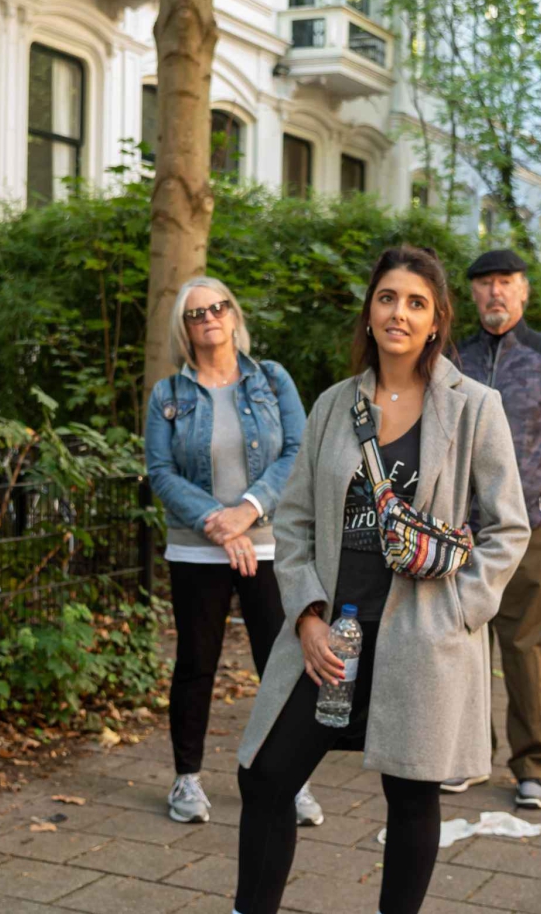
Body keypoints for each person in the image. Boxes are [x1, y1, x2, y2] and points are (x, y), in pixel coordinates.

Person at [233, 246, 530, 914]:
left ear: (437, 321)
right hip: (332, 633)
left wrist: (459, 611)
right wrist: (306, 613)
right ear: (370, 311)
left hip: (420, 634)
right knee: (266, 774)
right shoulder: (337, 405)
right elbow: (297, 517)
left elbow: (509, 527)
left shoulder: (474, 406)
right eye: (388, 297)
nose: (400, 312)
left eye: (416, 303)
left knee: (412, 793)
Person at [143, 277, 317, 826]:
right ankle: (187, 781)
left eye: (217, 307)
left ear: (234, 316)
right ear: (185, 328)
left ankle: (290, 779)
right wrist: (221, 527)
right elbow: (161, 472)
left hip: (268, 546)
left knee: (282, 663)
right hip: (198, 551)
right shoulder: (169, 395)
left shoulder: (273, 380)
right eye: (196, 313)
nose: (209, 318)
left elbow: (298, 450)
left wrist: (248, 509)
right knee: (196, 664)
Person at [451, 249, 541, 808]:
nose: (495, 292)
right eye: (484, 283)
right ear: (472, 294)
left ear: (524, 291)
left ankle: (532, 766)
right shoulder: (452, 358)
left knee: (527, 648)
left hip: (535, 528)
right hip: (459, 531)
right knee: (462, 646)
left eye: (505, 282)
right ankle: (466, 756)